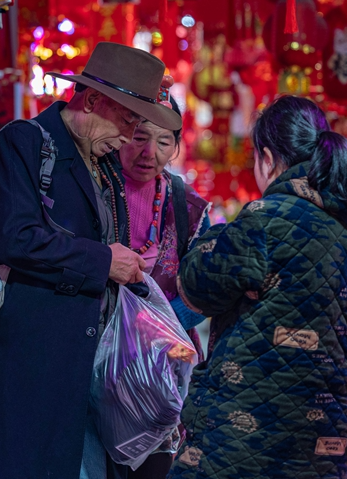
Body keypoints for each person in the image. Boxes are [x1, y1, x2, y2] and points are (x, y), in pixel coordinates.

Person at [0, 42, 182, 479]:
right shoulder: (24, 141)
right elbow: (12, 237)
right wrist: (102, 260)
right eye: (128, 119)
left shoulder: (104, 163)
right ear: (93, 101)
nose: (130, 134)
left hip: (80, 368)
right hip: (22, 363)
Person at [169, 95, 347, 479]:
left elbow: (197, 285)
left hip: (240, 448)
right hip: (327, 452)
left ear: (268, 159)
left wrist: (213, 238)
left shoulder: (265, 219)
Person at [115, 96, 210, 479]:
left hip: (165, 371)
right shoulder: (92, 192)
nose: (149, 152)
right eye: (138, 136)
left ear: (177, 146)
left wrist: (160, 324)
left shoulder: (188, 206)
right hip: (100, 362)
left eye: (164, 141)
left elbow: (207, 289)